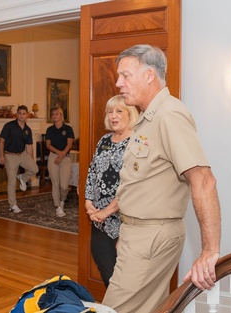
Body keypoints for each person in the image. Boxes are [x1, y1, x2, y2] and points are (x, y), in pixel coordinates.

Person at [102, 44, 222, 312]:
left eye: (125, 75)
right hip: (139, 233)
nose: (118, 83)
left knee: (113, 309)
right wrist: (128, 229)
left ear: (149, 75)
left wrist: (209, 251)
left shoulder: (169, 114)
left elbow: (204, 179)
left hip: (151, 235)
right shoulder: (148, 118)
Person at [83, 95, 137, 287]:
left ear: (131, 114)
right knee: (104, 264)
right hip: (99, 219)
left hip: (124, 219)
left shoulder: (136, 142)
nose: (113, 116)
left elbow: (131, 185)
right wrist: (89, 202)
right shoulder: (104, 140)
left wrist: (107, 211)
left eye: (119, 111)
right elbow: (92, 171)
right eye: (110, 111)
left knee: (124, 275)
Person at [0, 105, 38, 213]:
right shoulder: (9, 126)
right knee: (11, 182)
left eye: (24, 113)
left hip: (22, 154)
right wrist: (1, 155)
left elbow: (29, 146)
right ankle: (13, 205)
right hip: (10, 155)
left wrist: (31, 161)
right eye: (19, 113)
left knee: (35, 169)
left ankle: (22, 178)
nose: (21, 115)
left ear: (27, 115)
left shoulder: (27, 130)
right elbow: (1, 141)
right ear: (17, 114)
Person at [44, 107, 75, 217]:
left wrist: (62, 155)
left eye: (57, 114)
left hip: (65, 158)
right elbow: (48, 145)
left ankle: (62, 201)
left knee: (64, 186)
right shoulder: (49, 130)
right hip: (53, 157)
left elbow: (69, 144)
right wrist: (58, 154)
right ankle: (58, 207)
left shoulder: (68, 129)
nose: (55, 116)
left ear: (62, 115)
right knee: (55, 184)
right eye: (53, 114)